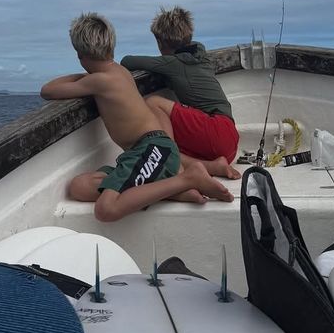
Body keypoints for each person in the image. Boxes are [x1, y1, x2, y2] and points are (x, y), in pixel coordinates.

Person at [40, 12, 234, 222]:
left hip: (152, 150)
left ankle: (188, 179)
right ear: (111, 46)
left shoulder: (98, 80)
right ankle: (171, 191)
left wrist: (83, 74)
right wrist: (88, 74)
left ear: (80, 55)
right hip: (145, 151)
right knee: (79, 187)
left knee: (106, 209)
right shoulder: (119, 71)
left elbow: (48, 90)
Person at [121, 6, 240, 180]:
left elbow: (127, 61)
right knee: (177, 147)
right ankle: (212, 166)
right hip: (230, 141)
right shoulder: (202, 56)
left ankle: (172, 162)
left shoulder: (172, 63)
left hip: (215, 131)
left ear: (160, 43)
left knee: (153, 102)